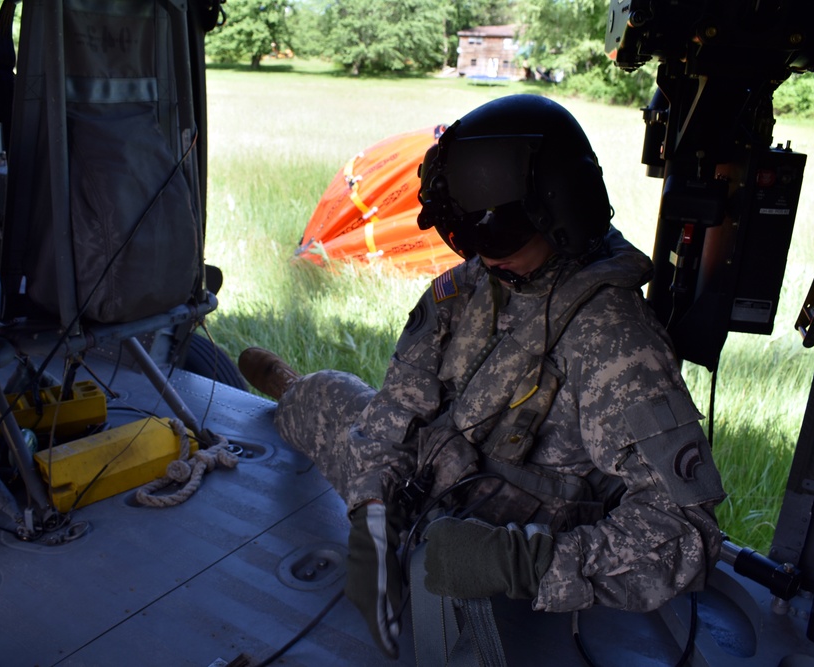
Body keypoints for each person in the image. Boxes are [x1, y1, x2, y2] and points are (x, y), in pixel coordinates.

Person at [238, 94, 726, 660]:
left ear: (562, 209)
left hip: (517, 537)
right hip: (430, 491)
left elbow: (685, 531)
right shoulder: (465, 290)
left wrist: (524, 564)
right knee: (320, 394)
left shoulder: (614, 337)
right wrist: (372, 512)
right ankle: (284, 382)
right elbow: (393, 414)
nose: (479, 256)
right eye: (462, 235)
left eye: (495, 235)